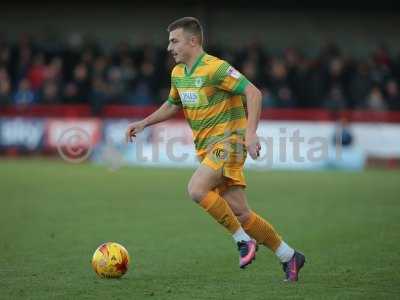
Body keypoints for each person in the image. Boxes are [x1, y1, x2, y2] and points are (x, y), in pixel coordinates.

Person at [125, 17, 305, 282]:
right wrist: (144, 122)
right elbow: (172, 105)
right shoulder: (178, 74)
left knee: (196, 189)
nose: (168, 47)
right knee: (242, 213)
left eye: (174, 41)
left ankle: (243, 241)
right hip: (207, 149)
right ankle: (289, 255)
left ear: (193, 41)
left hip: (229, 143)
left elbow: (253, 93)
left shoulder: (216, 69)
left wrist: (251, 133)